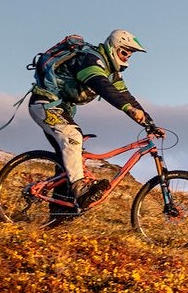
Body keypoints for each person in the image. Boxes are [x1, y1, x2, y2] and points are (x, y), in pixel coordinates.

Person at [27, 29, 162, 221]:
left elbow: (126, 97)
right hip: (44, 104)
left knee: (71, 156)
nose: (127, 57)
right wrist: (127, 109)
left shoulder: (113, 73)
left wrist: (150, 123)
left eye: (130, 54)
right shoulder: (91, 60)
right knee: (73, 137)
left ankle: (60, 214)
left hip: (60, 108)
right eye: (125, 52)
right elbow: (102, 86)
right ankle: (80, 189)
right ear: (113, 47)